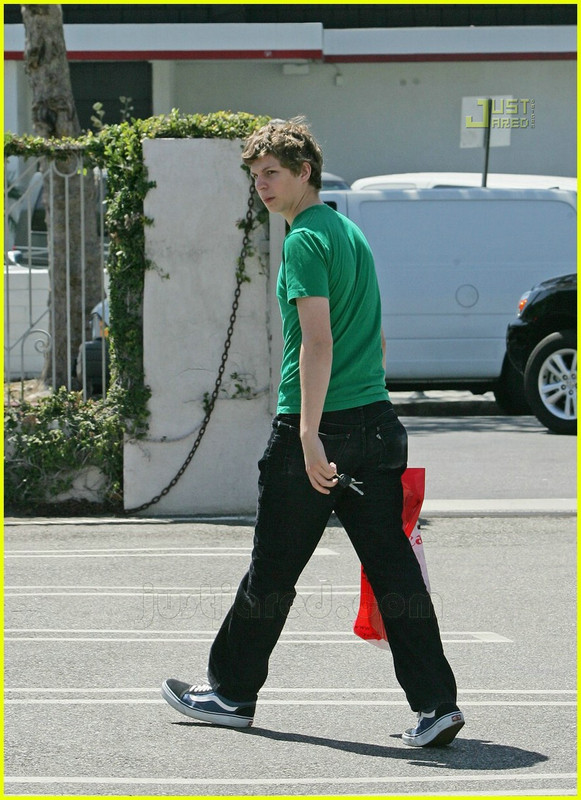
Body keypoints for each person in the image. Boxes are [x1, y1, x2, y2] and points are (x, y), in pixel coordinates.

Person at [162, 118, 464, 747]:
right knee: (393, 570)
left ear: (304, 172)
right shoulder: (350, 233)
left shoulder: (304, 241)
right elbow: (375, 339)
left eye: (271, 172)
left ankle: (230, 693)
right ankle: (437, 704)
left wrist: (307, 434)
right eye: (254, 174)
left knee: (271, 571)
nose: (261, 184)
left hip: (322, 429)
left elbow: (318, 343)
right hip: (378, 424)